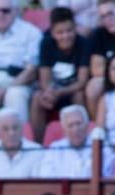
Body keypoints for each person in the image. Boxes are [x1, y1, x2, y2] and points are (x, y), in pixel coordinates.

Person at [30, 6, 89, 142]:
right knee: (37, 97)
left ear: (75, 28)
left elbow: (81, 81)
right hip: (54, 92)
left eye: (69, 30)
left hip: (72, 91)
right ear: (52, 32)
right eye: (60, 32)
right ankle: (37, 143)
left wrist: (60, 92)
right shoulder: (46, 43)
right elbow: (45, 80)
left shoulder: (83, 44)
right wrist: (49, 92)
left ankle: (82, 140)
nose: (65, 36)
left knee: (79, 95)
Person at [38, 104, 114, 178]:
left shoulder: (101, 147)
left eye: (78, 123)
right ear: (64, 130)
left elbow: (109, 177)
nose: (75, 129)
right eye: (70, 125)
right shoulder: (54, 150)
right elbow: (46, 180)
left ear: (87, 125)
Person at [0, 106, 43, 179]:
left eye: (15, 128)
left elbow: (38, 186)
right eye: (5, 129)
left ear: (22, 128)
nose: (11, 133)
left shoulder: (37, 151)